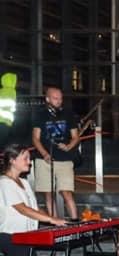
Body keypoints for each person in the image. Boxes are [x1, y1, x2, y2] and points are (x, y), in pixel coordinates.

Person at [31, 86, 79, 220]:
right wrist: (45, 154)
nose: (59, 101)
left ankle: (75, 222)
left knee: (67, 192)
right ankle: (55, 223)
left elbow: (76, 137)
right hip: (44, 160)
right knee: (48, 194)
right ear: (47, 99)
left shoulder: (68, 114)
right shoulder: (40, 115)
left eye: (60, 98)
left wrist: (69, 146)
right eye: (55, 98)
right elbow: (35, 138)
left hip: (64, 159)